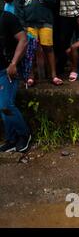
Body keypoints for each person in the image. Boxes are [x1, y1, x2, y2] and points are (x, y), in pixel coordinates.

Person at [14, 0, 62, 86]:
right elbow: (19, 9)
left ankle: (53, 75)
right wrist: (22, 25)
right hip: (29, 24)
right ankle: (31, 76)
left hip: (45, 22)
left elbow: (52, 2)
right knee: (30, 50)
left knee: (48, 48)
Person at [0, 9, 31, 153]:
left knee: (6, 105)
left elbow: (23, 40)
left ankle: (24, 135)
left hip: (6, 70)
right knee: (1, 107)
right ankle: (11, 139)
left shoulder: (6, 17)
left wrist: (13, 63)